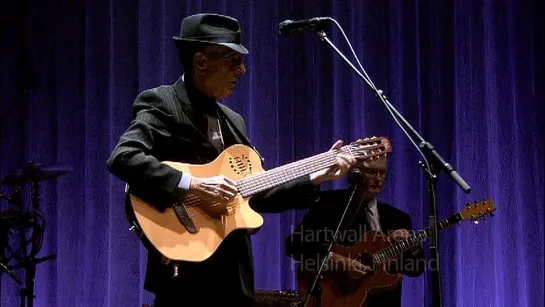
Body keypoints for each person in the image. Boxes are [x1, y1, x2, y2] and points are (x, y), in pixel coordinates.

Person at [106, 13, 358, 307]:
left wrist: (319, 176)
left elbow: (257, 193)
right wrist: (194, 185)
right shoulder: (164, 103)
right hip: (183, 275)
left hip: (234, 279)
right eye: (232, 60)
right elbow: (124, 157)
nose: (242, 69)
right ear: (200, 62)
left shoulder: (234, 121)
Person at [285, 156, 426, 306]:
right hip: (338, 299)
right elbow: (294, 244)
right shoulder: (329, 205)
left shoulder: (398, 218)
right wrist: (337, 261)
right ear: (355, 174)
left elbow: (417, 268)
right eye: (372, 172)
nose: (378, 179)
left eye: (382, 173)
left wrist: (413, 246)